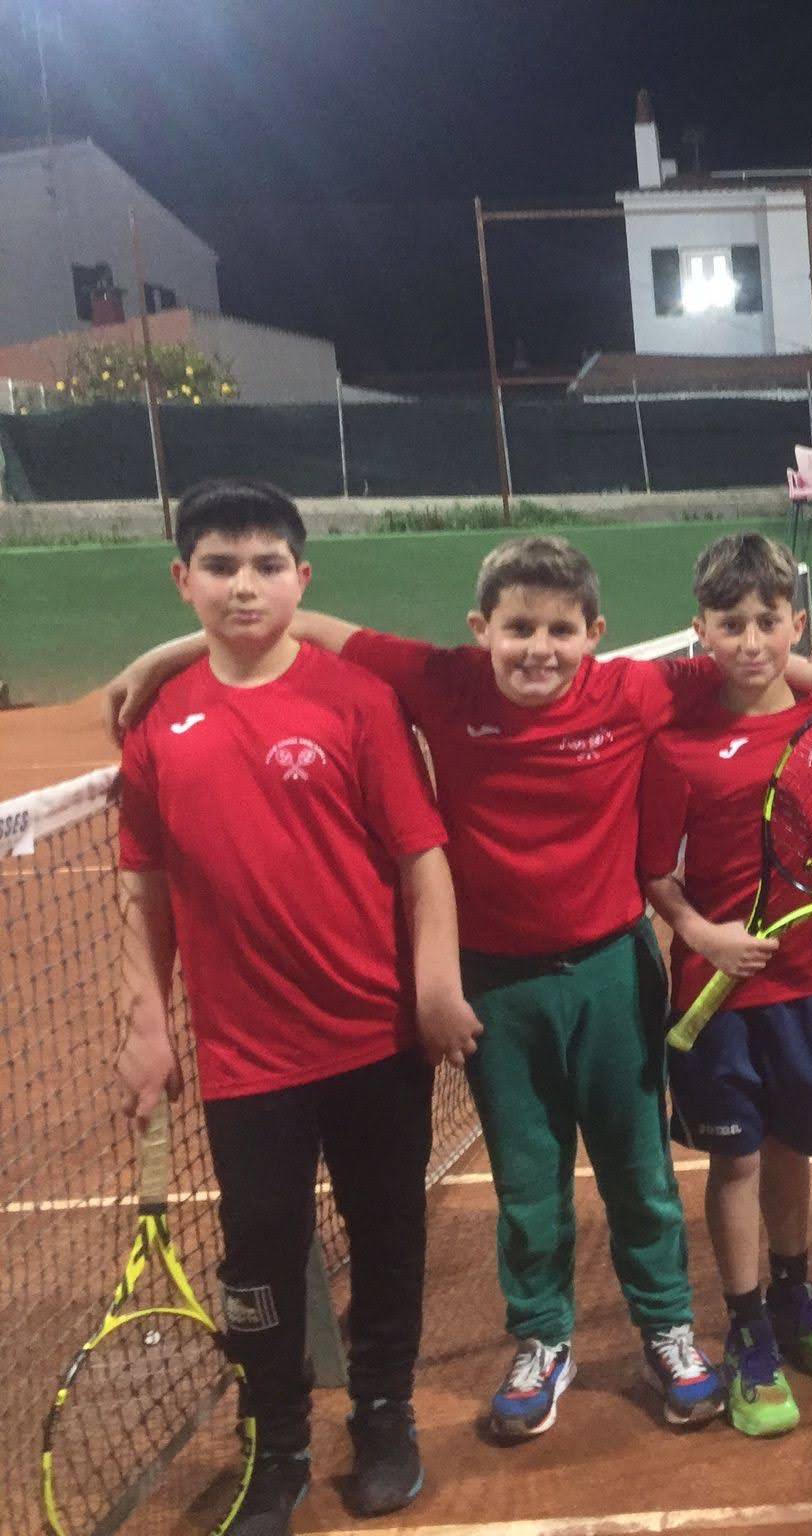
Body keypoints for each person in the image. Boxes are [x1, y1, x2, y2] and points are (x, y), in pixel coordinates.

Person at [103, 533, 812, 1440]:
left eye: (560, 631)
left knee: (640, 1174)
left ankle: (667, 1328)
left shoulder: (634, 690)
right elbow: (304, 626)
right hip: (497, 987)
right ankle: (543, 1340)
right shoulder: (441, 682)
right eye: (518, 629)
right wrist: (166, 655)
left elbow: (751, 664)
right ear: (480, 629)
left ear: (594, 635)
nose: (539, 649)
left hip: (613, 973)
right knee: (528, 1183)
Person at [113, 478, 474, 1534]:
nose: (245, 585)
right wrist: (147, 1025)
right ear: (182, 581)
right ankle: (274, 1440)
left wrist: (435, 986)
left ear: (301, 579)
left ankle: (384, 1410)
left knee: (389, 1232)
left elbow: (421, 857)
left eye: (267, 565)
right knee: (258, 1258)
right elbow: (145, 890)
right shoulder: (158, 720)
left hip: (375, 1037)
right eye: (220, 566)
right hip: (246, 1059)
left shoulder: (355, 701)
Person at [638, 533, 812, 1438]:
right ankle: (744, 1329)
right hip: (717, 991)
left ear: (795, 625)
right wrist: (706, 937)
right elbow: (656, 874)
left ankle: (793, 1292)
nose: (750, 640)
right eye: (730, 624)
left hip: (811, 984)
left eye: (768, 621)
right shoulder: (676, 746)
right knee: (734, 1160)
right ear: (699, 630)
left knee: (790, 1148)